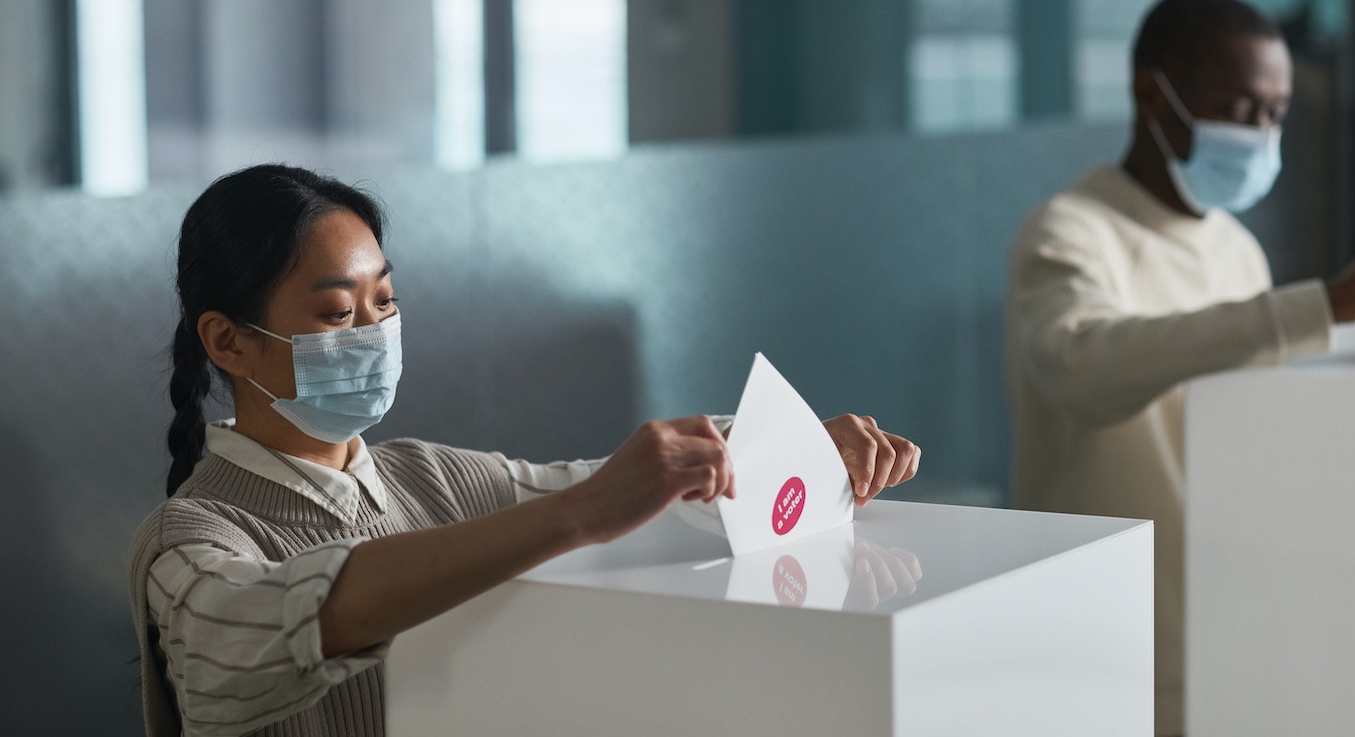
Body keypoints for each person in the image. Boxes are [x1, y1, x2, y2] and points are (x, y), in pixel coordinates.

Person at [130, 164, 921, 737]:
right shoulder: (191, 539)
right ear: (228, 342)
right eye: (339, 313)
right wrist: (581, 515)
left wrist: (789, 448)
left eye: (386, 303)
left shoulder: (427, 477)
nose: (373, 334)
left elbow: (630, 490)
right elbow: (243, 633)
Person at [1004, 0, 1355, 736]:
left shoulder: (1235, 248)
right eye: (1243, 110)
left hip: (1226, 629)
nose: (1263, 134)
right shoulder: (1070, 233)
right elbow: (1083, 367)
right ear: (1152, 95)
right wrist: (1325, 307)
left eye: (1276, 115)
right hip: (1100, 642)